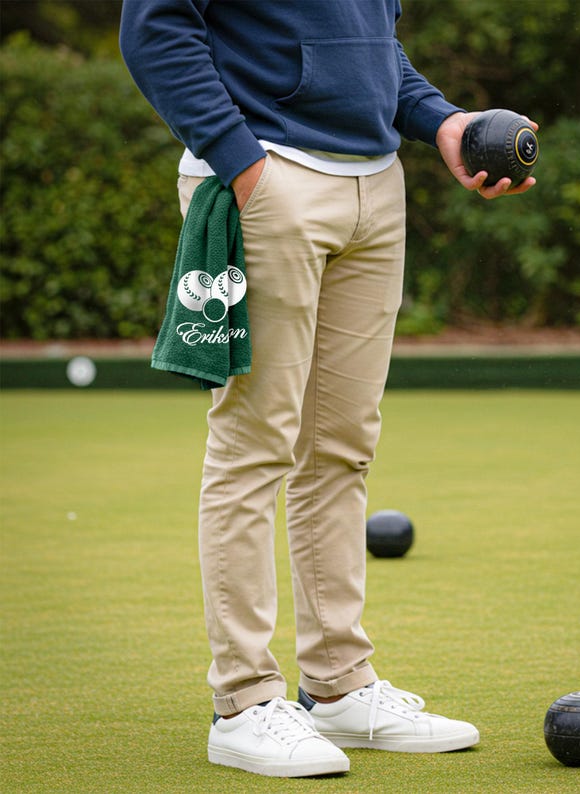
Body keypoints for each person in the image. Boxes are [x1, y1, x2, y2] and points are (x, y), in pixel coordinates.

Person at [120, 0, 536, 779]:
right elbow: (153, 29)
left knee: (342, 448)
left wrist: (441, 121)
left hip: (375, 189)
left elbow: (374, 51)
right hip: (267, 176)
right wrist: (240, 162)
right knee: (254, 445)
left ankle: (339, 687)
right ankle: (243, 703)